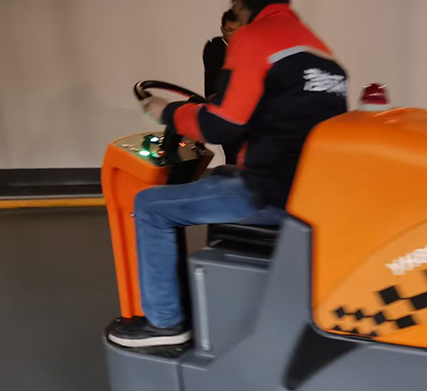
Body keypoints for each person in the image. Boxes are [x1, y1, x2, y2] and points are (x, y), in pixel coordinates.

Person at [108, 0, 348, 349]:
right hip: (310, 191)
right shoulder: (318, 50)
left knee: (149, 206)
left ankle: (164, 323)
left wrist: (168, 111)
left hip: (269, 193)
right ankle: (201, 296)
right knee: (218, 176)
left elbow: (222, 125)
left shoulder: (255, 37)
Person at [204, 9, 242, 164]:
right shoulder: (216, 48)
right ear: (223, 30)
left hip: (242, 115)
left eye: (239, 31)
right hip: (224, 112)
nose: (235, 36)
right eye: (230, 31)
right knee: (234, 157)